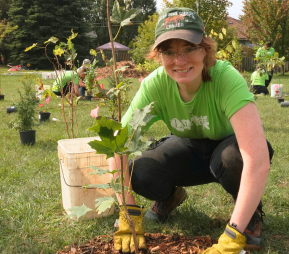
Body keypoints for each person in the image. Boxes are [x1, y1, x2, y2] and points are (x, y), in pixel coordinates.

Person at [113, 7, 274, 254]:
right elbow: (119, 144)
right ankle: (170, 196)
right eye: (169, 52)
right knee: (140, 171)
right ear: (159, 56)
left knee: (236, 159)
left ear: (205, 48)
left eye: (189, 49)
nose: (180, 61)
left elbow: (258, 159)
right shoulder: (156, 85)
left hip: (227, 148)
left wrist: (232, 235)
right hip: (188, 146)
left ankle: (246, 219)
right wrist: (128, 210)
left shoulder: (226, 79)